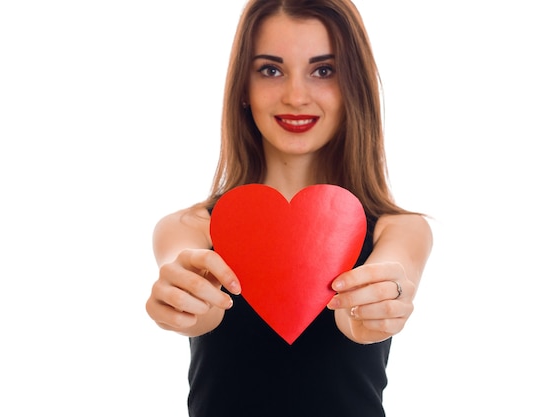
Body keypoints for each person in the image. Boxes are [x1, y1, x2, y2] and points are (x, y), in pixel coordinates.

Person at [145, 0, 433, 415]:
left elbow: (384, 288)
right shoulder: (189, 227)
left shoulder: (399, 229)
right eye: (271, 70)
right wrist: (184, 300)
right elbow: (193, 295)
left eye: (323, 70)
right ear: (243, 87)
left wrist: (375, 309)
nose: (296, 96)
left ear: (354, 84)